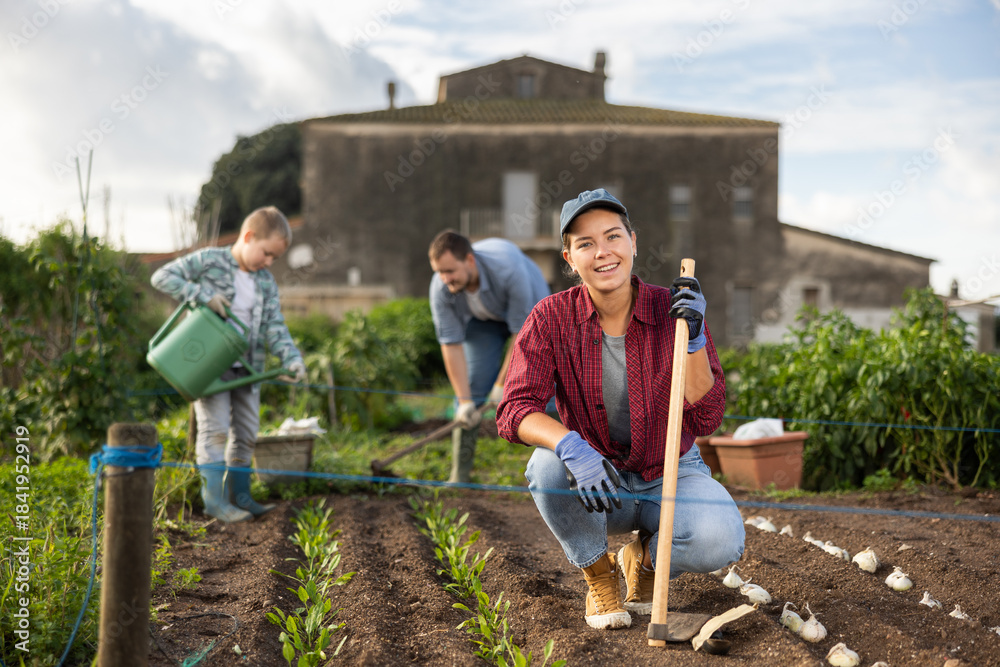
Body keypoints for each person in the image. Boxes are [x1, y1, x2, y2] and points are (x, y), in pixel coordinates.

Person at [496, 189, 744, 630]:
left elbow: (706, 417)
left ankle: (642, 561)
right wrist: (570, 444)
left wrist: (697, 339)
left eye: (612, 236)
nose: (602, 252)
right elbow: (515, 408)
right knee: (546, 465)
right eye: (586, 243)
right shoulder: (550, 318)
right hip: (596, 480)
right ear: (569, 258)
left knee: (719, 538)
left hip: (669, 471)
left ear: (633, 241)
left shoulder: (675, 313)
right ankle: (599, 572)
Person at [151, 206, 307, 523]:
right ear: (248, 237)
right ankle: (215, 503)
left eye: (274, 259)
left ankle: (242, 496)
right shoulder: (210, 260)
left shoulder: (265, 283)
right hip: (210, 366)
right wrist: (201, 294)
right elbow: (161, 276)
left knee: (247, 432)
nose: (268, 263)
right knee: (215, 433)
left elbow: (275, 326)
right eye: (266, 254)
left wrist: (292, 358)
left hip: (249, 367)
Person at [428, 230, 550, 483]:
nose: (444, 278)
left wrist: (501, 385)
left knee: (551, 389)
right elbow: (450, 344)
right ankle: (459, 477)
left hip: (534, 317)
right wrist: (464, 402)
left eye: (450, 271)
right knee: (472, 386)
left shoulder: (509, 270)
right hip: (485, 320)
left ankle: (562, 468)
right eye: (439, 272)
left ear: (470, 261)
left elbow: (521, 333)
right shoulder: (441, 287)